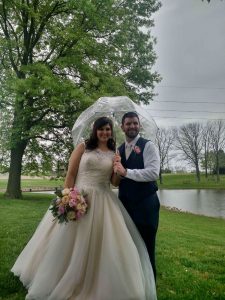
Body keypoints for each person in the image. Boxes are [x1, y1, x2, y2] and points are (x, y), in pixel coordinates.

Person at [11, 116, 157, 300]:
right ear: (95, 130)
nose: (105, 132)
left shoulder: (114, 152)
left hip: (104, 200)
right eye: (101, 129)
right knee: (68, 240)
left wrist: (119, 168)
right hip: (79, 197)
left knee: (104, 242)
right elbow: (71, 173)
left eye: (108, 129)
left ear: (112, 131)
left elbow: (113, 182)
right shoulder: (83, 146)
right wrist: (67, 197)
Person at [113, 111, 160, 280]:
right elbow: (116, 181)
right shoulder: (118, 150)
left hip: (146, 205)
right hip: (125, 205)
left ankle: (150, 285)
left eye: (135, 123)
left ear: (139, 125)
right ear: (122, 127)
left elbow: (153, 173)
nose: (132, 126)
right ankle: (133, 282)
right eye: (128, 123)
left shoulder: (148, 146)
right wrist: (116, 170)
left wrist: (126, 172)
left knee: (147, 247)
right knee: (128, 247)